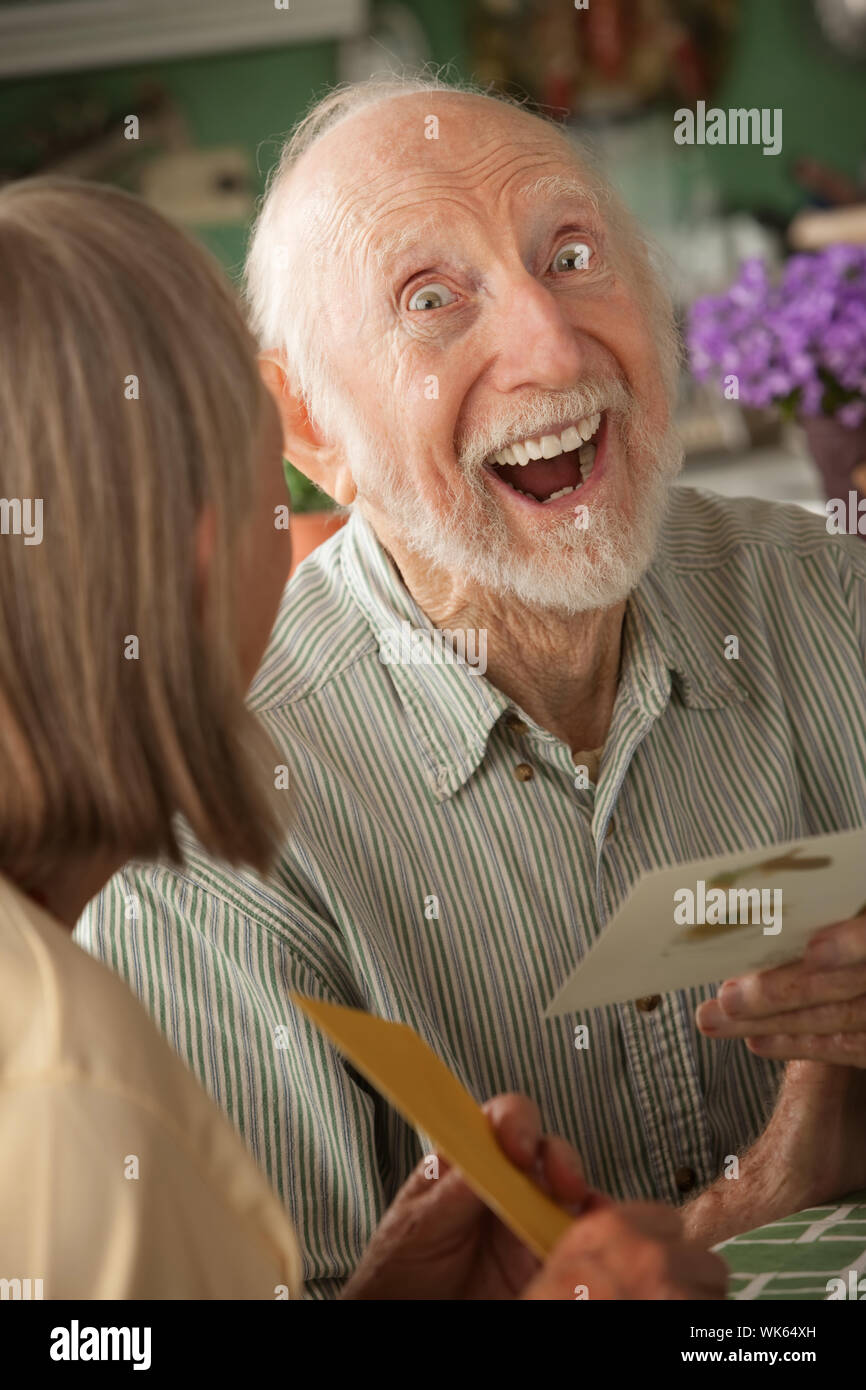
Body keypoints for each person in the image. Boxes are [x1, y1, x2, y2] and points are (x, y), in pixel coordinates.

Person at [79, 78, 866, 1300]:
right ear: (305, 421)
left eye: (572, 255)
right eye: (430, 300)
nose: (551, 346)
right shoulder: (206, 821)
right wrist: (744, 1209)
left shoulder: (836, 600)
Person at [0, 175, 725, 1302]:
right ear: (208, 545)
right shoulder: (69, 1088)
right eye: (269, 483)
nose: (544, 341)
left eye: (570, 258)